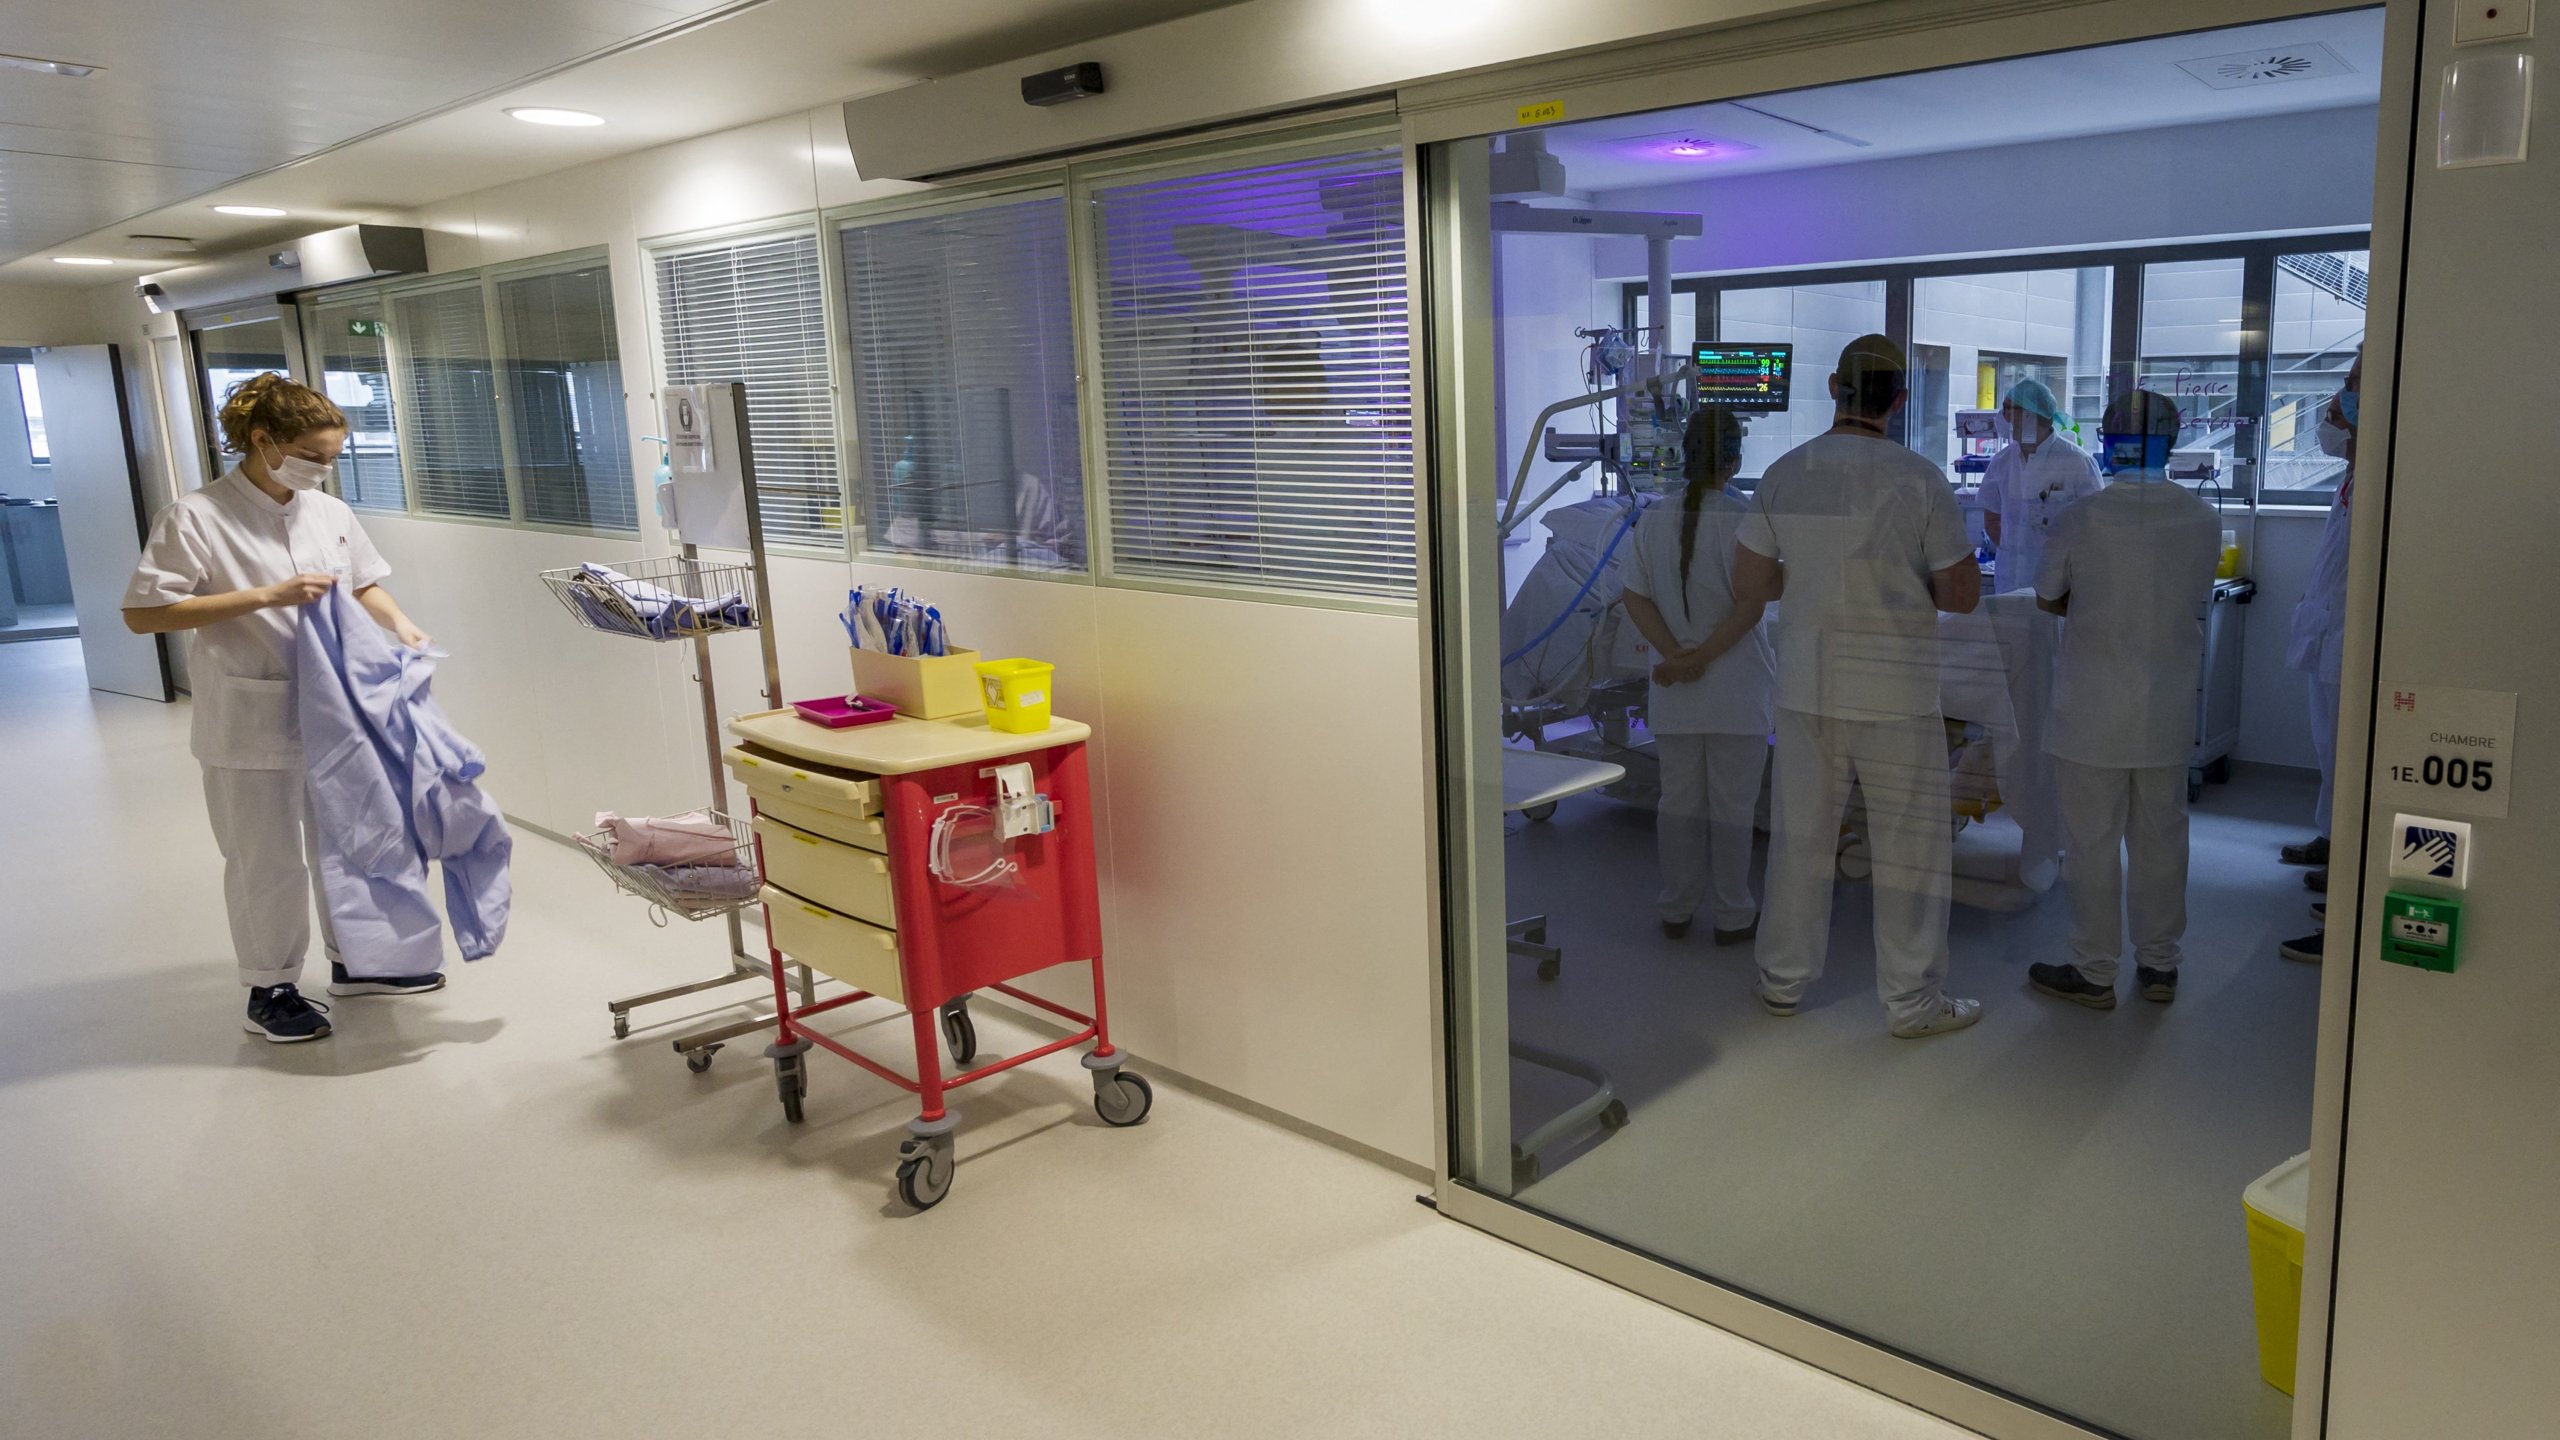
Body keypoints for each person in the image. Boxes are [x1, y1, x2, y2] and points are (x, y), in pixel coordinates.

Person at [122, 373, 441, 1044]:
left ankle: (355, 961)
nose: (323, 470)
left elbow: (363, 584)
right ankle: (270, 987)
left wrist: (404, 626)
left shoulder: (326, 512)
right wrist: (267, 596)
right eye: (313, 456)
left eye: (331, 458)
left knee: (348, 846)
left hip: (336, 714)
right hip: (250, 717)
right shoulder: (197, 516)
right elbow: (143, 613)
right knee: (265, 857)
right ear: (262, 441)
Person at [1732, 335, 1985, 1038]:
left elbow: (1749, 584)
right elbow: (1962, 595)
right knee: (1910, 849)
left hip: (1808, 687)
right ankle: (1912, 1003)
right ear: (1899, 401)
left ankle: (1782, 982)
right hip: (1895, 694)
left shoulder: (1784, 472)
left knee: (1799, 839)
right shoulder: (1920, 478)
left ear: (1834, 385)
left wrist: (1812, 578)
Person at [2026, 390, 2223, 1008]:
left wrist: (2089, 604)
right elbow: (2189, 592)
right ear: (2175, 437)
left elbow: (2046, 596)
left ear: (2108, 440)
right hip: (2163, 707)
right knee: (2163, 837)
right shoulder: (2201, 517)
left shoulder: (2082, 518)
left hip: (2091, 709)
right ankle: (2160, 966)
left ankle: (2094, 971)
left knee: (2090, 842)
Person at [1620, 409, 1775, 945]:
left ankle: (1676, 909)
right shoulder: (1746, 518)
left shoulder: (1653, 518)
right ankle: (1733, 916)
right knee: (1734, 810)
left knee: (1678, 804)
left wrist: (1677, 657)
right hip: (1737, 689)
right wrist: (1703, 657)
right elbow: (1755, 605)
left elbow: (1634, 596)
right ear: (1734, 462)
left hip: (1674, 688)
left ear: (1684, 457)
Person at [2277, 348, 2364, 964]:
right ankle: (2334, 846)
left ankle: (2347, 898)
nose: (2338, 400)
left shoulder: (2391, 469)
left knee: (2350, 757)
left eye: (2352, 386)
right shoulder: (2355, 471)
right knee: (2329, 746)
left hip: (2353, 640)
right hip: (2332, 631)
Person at [1976, 377, 2103, 595]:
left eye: (2008, 409)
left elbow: (2096, 529)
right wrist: (2016, 551)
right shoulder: (2002, 462)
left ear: (2029, 415)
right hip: (2009, 582)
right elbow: (1992, 519)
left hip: (2059, 587)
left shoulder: (2076, 463)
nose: (2003, 417)